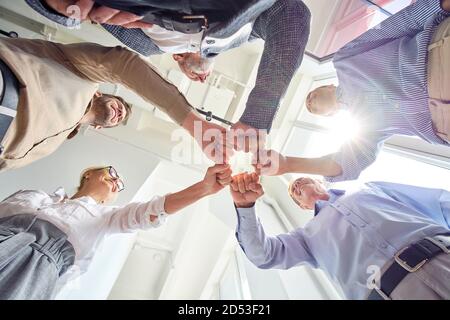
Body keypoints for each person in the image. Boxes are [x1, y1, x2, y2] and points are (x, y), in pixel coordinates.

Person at [26, 0, 312, 148]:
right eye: (202, 75)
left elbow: (290, 12)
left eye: (197, 76)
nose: (200, 76)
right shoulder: (233, 26)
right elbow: (291, 15)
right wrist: (258, 115)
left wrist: (66, 11)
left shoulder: (146, 47)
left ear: (178, 60)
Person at [257, 0, 450, 182]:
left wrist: (440, 4)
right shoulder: (363, 131)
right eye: (312, 109)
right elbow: (344, 165)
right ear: (330, 114)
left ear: (329, 85)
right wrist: (287, 164)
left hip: (438, 54)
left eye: (310, 95)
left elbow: (402, 23)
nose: (309, 102)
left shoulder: (344, 60)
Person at [0, 163, 232, 299]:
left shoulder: (106, 218)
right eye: (112, 173)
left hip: (38, 267)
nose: (116, 180)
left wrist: (203, 188)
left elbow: (150, 211)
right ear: (88, 174)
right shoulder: (38, 195)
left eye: (119, 185)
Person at [0, 37, 232, 172]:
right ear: (101, 93)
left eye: (120, 119)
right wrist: (194, 124)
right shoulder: (82, 74)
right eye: (120, 104)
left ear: (100, 128)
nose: (121, 112)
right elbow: (122, 64)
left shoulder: (53, 144)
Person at [230, 172, 450, 300]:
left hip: (442, 259)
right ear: (303, 206)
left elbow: (439, 203)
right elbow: (263, 256)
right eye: (293, 193)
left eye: (301, 179)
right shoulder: (305, 238)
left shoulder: (369, 189)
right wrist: (244, 206)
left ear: (320, 182)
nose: (294, 185)